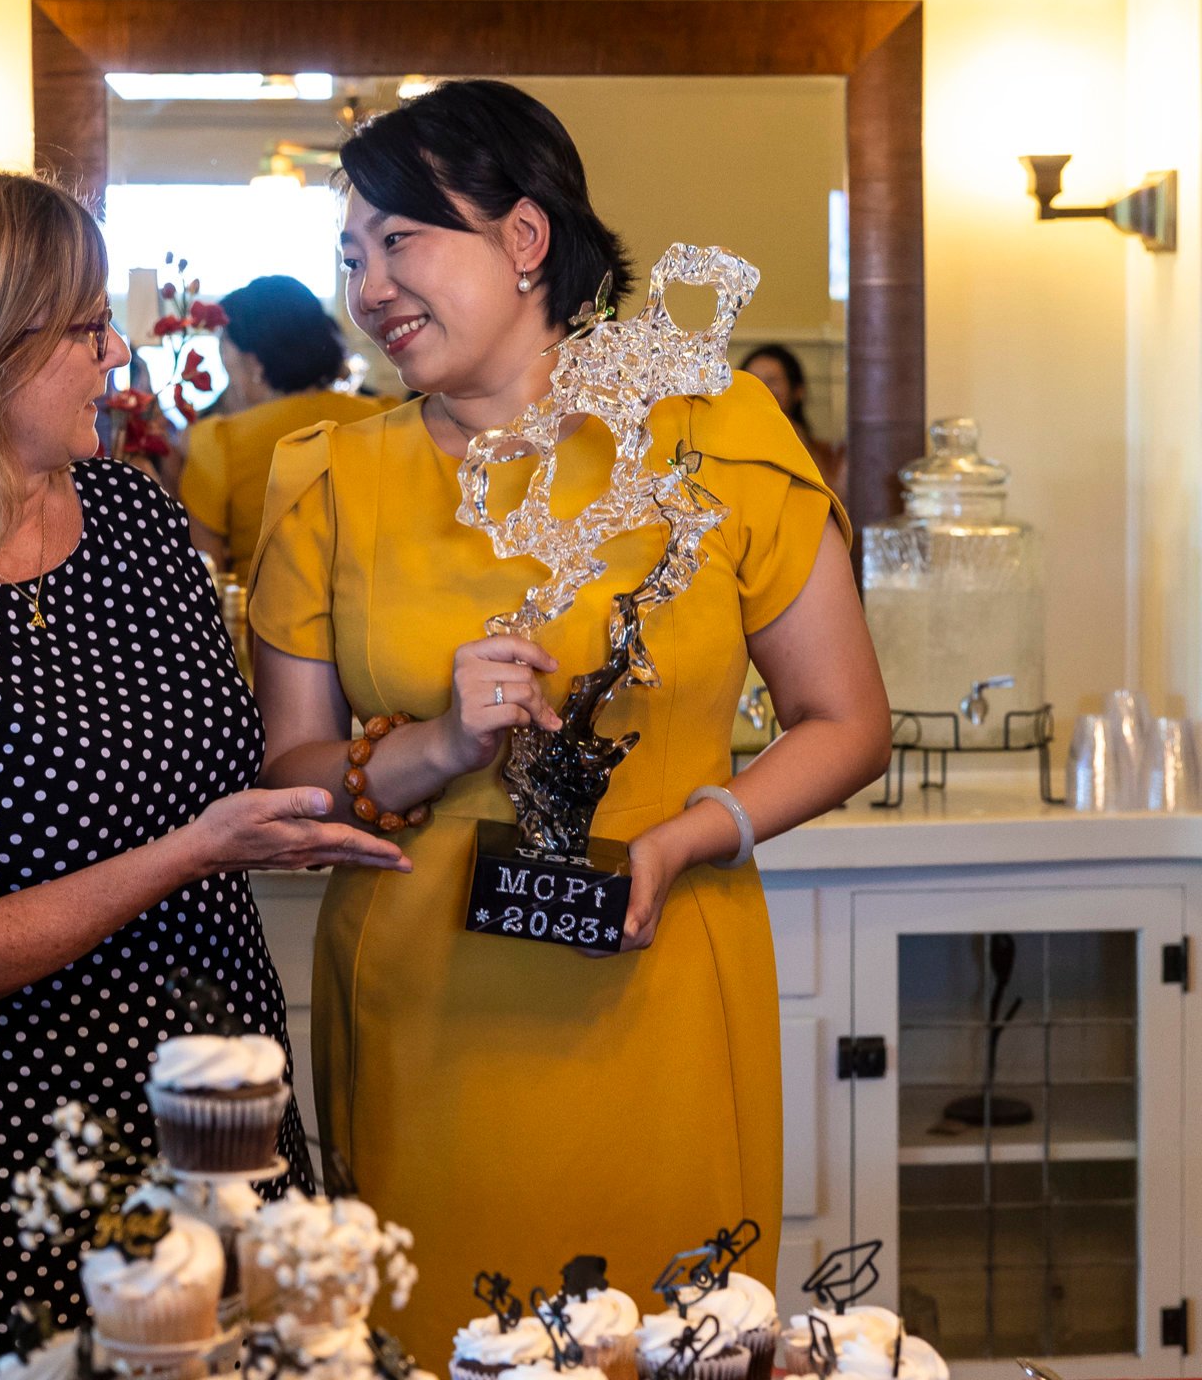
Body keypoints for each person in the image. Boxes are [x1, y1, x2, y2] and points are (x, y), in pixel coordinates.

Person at [247, 81, 891, 1365]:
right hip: (423, 1019)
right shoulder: (327, 477)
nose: (368, 286)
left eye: (400, 239)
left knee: (672, 1337)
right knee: (436, 1341)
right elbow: (291, 774)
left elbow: (845, 721)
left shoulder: (713, 438)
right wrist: (434, 745)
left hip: (660, 988)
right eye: (350, 254)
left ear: (526, 238)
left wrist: (691, 833)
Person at [0, 163, 409, 1378]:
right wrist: (195, 852)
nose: (118, 353)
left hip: (217, 1107)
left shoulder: (133, 519)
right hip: (3, 1150)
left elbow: (235, 768)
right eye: (82, 327)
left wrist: (425, 750)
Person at [180, 274, 390, 573]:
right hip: (377, 600)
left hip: (262, 603)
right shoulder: (386, 417)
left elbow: (205, 571)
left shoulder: (219, 441)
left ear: (254, 362)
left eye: (225, 348)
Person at [741, 340, 847, 497]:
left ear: (797, 391)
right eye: (753, 380)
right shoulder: (727, 448)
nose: (761, 389)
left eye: (772, 381)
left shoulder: (827, 456)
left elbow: (828, 498)